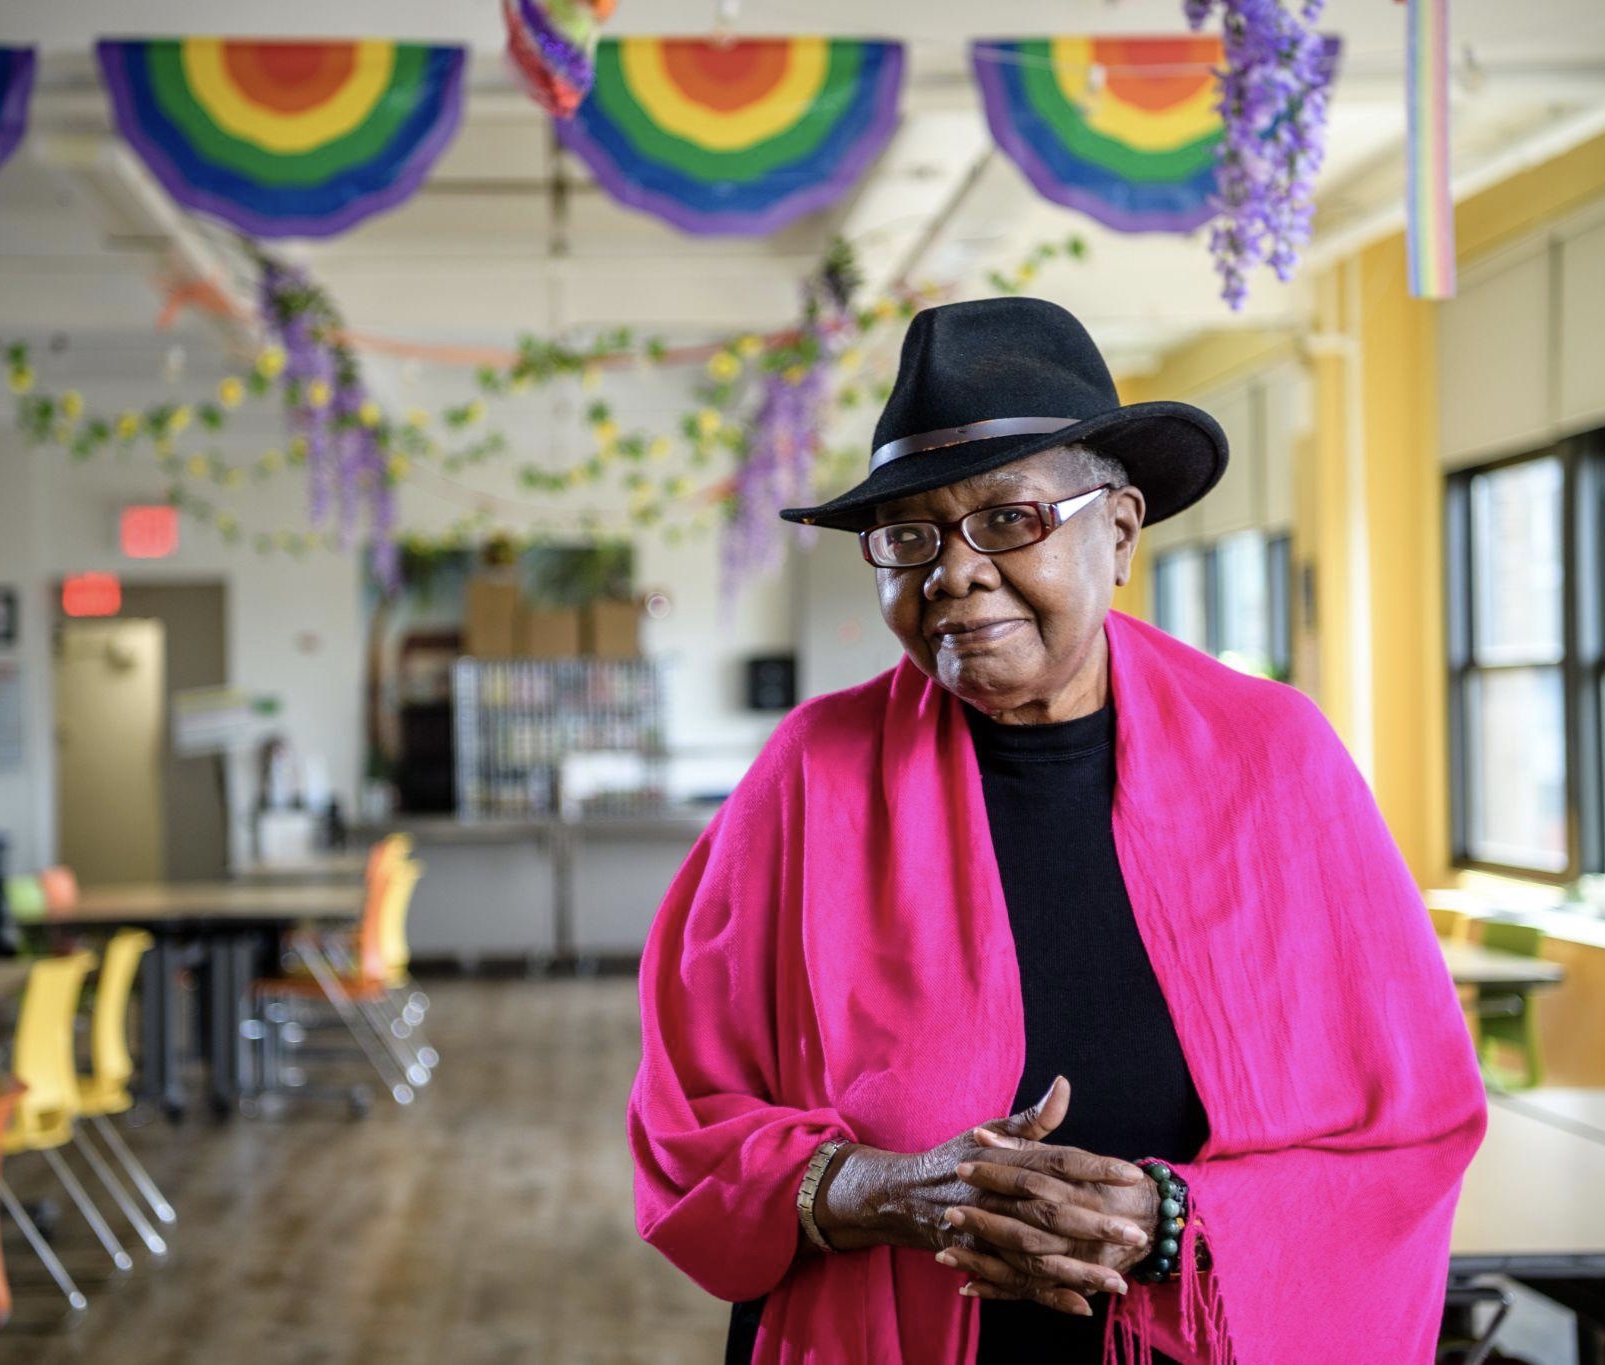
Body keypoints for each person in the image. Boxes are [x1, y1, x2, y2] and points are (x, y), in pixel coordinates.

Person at [627, 297, 1487, 1363]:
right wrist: (890, 1191)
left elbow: (1407, 1138)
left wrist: (1168, 1222)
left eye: (1007, 519)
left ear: (1117, 531)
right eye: (908, 536)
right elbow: (688, 1125)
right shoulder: (812, 776)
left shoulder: (1275, 762)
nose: (953, 573)